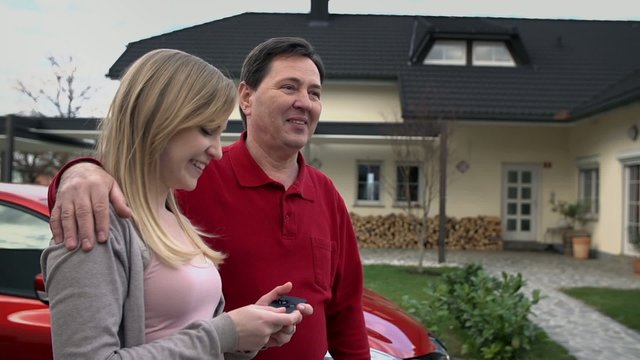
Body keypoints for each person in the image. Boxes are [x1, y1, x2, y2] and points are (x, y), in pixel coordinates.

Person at [48, 37, 370, 359]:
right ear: (246, 97)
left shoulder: (327, 194)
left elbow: (347, 310)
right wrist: (80, 172)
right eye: (289, 87)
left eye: (314, 93)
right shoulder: (196, 176)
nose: (305, 102)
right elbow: (111, 192)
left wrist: (242, 337)